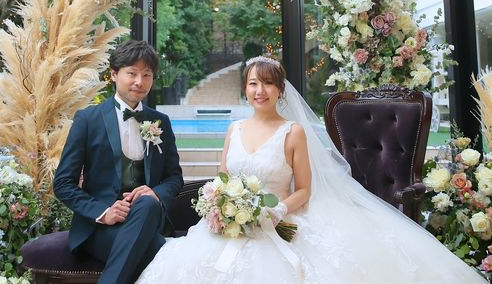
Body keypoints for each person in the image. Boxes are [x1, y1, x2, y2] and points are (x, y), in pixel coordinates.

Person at [137, 56, 484, 283]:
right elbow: (224, 178)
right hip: (231, 221)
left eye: (267, 83)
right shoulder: (234, 130)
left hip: (280, 217)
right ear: (245, 89)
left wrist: (276, 210)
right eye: (253, 83)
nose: (260, 90)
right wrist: (221, 204)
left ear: (279, 90)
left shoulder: (293, 132)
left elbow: (304, 189)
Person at [53, 40, 183, 284]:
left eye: (147, 75)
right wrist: (104, 213)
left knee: (147, 203)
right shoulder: (88, 120)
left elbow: (174, 178)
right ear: (114, 74)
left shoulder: (160, 122)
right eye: (132, 73)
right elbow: (63, 184)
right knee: (160, 252)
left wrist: (155, 193)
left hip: (148, 219)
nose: (139, 82)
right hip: (100, 227)